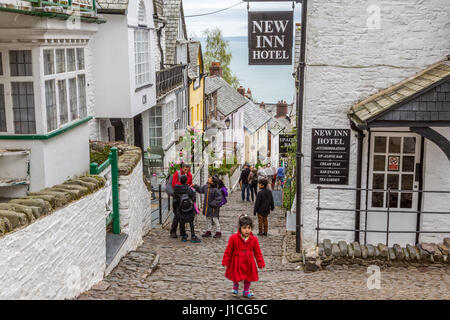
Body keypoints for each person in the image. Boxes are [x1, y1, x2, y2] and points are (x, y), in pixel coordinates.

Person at [222, 214, 265, 299]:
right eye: (244, 228)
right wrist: (225, 260)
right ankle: (235, 286)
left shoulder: (254, 239)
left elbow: (257, 252)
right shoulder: (233, 238)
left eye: (249, 228)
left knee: (248, 276)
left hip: (249, 261)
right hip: (236, 260)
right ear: (240, 228)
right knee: (236, 274)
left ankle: (246, 290)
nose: (247, 230)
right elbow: (228, 250)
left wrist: (260, 263)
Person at [173, 175, 201, 243]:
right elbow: (193, 199)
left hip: (180, 208)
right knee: (191, 221)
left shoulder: (176, 188)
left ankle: (184, 236)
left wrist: (175, 209)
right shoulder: (188, 189)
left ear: (180, 180)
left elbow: (175, 199)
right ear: (186, 181)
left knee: (182, 221)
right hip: (189, 208)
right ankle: (193, 236)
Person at [170, 163, 193, 238]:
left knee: (183, 216)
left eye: (187, 169)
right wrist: (183, 184)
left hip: (185, 200)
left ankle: (182, 232)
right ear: (182, 168)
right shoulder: (177, 174)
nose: (186, 170)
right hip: (177, 199)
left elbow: (190, 184)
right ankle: (173, 232)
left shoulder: (189, 175)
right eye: (185, 169)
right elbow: (174, 184)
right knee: (177, 216)